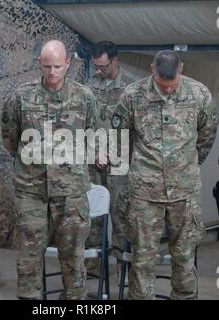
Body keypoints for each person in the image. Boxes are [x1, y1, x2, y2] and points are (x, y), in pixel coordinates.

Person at [114, 50, 218, 299]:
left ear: (181, 68)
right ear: (152, 69)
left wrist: (186, 164)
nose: (168, 90)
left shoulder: (199, 94)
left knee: (184, 256)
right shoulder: (132, 96)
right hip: (145, 194)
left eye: (172, 85)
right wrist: (141, 168)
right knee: (143, 258)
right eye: (163, 85)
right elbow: (120, 138)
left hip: (184, 192)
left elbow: (207, 135)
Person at [1, 40, 97, 300]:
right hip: (31, 191)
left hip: (71, 191)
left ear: (68, 63)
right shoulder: (22, 96)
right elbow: (10, 137)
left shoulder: (84, 97)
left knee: (73, 256)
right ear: (39, 64)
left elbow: (94, 136)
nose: (52, 72)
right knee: (29, 256)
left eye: (57, 66)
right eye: (46, 66)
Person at [86, 41, 130, 277]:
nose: (99, 71)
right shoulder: (89, 86)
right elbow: (84, 123)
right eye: (96, 67)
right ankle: (93, 261)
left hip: (119, 159)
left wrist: (111, 153)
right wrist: (94, 153)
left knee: (120, 212)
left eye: (103, 66)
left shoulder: (130, 89)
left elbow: (133, 129)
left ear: (115, 60)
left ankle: (123, 262)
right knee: (93, 212)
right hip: (94, 158)